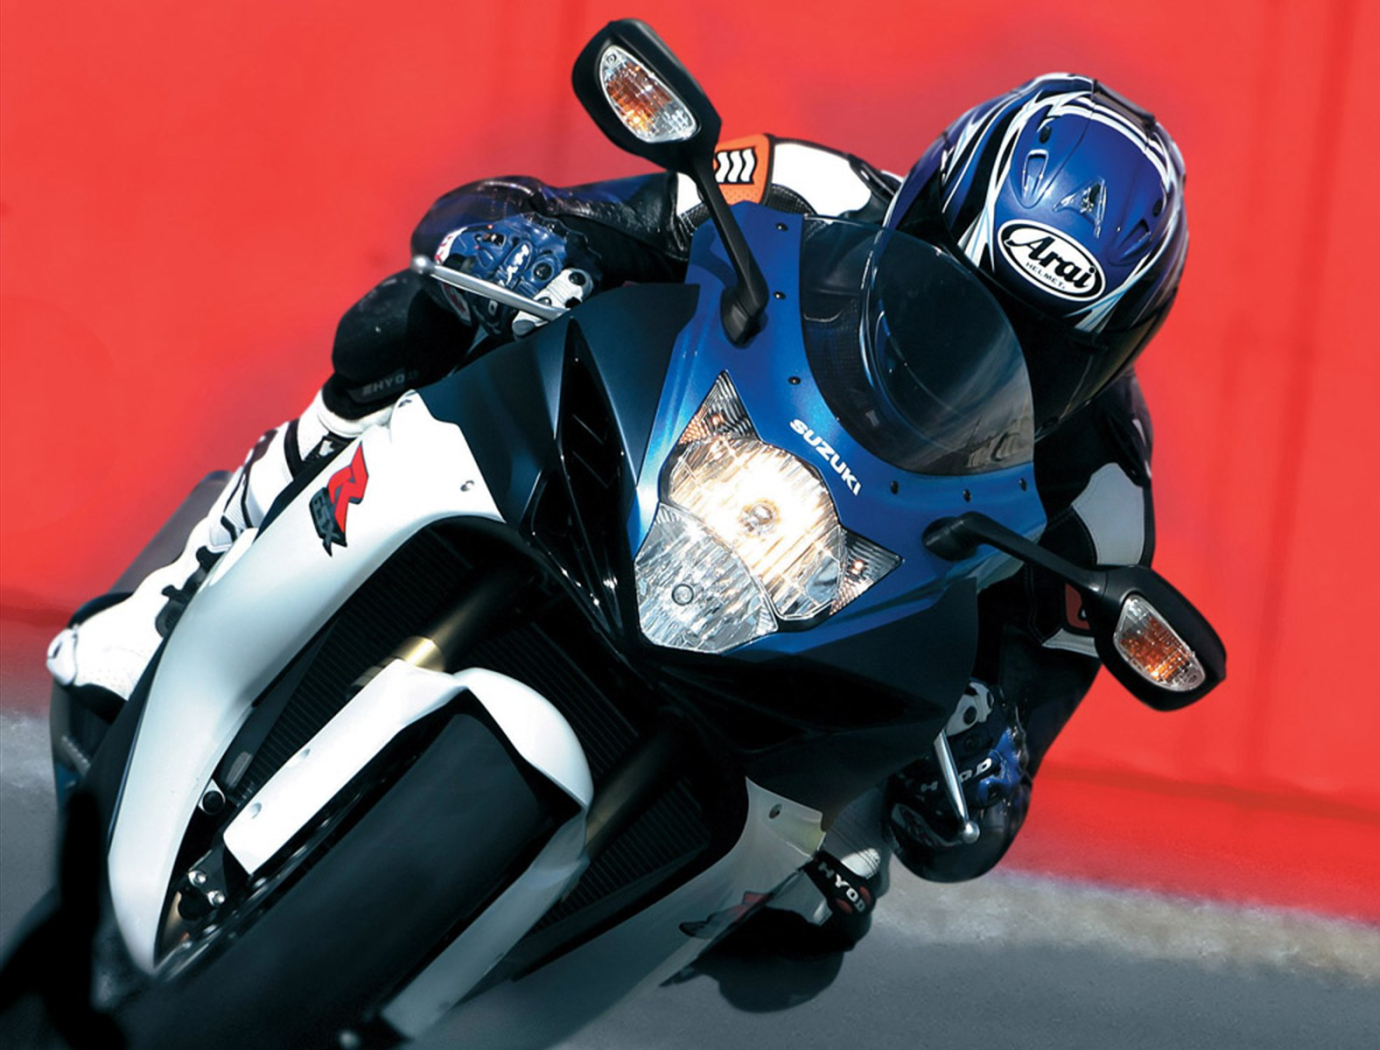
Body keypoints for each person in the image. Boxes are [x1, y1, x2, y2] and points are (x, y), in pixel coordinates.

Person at [45, 73, 1186, 997]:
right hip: (652, 480)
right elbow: (589, 214)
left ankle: (507, 977)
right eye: (954, 288)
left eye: (1043, 349)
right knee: (416, 323)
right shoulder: (812, 189)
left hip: (831, 638)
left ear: (1107, 358)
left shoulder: (1103, 496)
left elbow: (1007, 761)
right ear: (922, 208)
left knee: (826, 906)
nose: (986, 350)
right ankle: (194, 577)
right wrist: (541, 243)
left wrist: (985, 760)